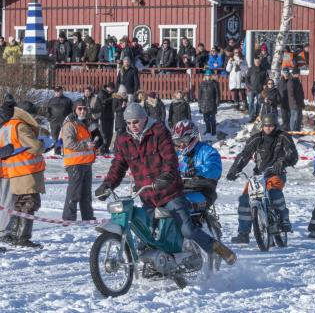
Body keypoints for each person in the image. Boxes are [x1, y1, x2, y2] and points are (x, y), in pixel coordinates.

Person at [95, 103, 236, 265]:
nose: (132, 126)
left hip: (170, 192)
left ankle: (219, 249)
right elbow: (118, 166)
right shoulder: (123, 140)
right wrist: (107, 185)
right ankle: (160, 265)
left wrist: (167, 176)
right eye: (128, 123)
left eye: (135, 122)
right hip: (147, 195)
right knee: (148, 235)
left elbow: (170, 158)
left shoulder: (158, 132)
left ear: (144, 118)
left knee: (187, 230)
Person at [226, 113, 298, 244]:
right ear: (262, 126)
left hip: (276, 173)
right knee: (244, 199)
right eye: (266, 126)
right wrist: (234, 170)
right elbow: (244, 155)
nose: (268, 128)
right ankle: (243, 233)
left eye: (271, 126)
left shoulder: (283, 137)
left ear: (275, 126)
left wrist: (281, 163)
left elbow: (293, 155)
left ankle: (284, 220)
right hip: (259, 175)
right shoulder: (256, 138)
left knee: (274, 193)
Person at [0, 103, 46, 248]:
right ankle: (23, 237)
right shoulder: (20, 126)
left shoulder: (9, 125)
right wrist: (43, 144)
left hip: (16, 170)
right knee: (30, 202)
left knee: (20, 202)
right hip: (26, 170)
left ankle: (14, 233)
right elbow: (36, 147)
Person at [62, 99, 101, 221]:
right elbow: (68, 143)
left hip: (86, 163)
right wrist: (85, 145)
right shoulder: (70, 124)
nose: (82, 111)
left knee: (86, 194)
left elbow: (89, 142)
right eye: (80, 108)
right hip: (75, 164)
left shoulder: (85, 124)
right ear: (75, 109)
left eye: (84, 108)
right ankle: (68, 218)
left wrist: (94, 149)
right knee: (74, 193)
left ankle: (88, 217)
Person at [172, 120, 221, 206]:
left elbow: (214, 169)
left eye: (185, 140)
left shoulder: (207, 150)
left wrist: (197, 170)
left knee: (180, 203)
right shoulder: (176, 155)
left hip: (203, 191)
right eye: (178, 141)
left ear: (193, 136)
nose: (182, 144)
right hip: (179, 191)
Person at [0, 94, 16, 242]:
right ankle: (4, 232)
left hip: (7, 170)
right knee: (6, 202)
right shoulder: (6, 127)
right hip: (5, 170)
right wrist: (11, 149)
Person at [46, 86, 73, 155]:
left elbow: (72, 111)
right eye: (56, 91)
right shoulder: (51, 100)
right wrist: (49, 118)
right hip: (54, 122)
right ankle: (57, 151)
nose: (57, 92)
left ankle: (66, 151)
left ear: (62, 91)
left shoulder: (68, 100)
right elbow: (48, 110)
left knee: (65, 137)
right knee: (55, 137)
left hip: (64, 122)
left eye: (59, 91)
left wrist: (70, 119)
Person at [245, 57, 268, 122]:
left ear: (260, 62)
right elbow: (247, 79)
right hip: (251, 89)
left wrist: (264, 84)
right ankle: (251, 117)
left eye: (258, 61)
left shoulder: (263, 69)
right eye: (256, 61)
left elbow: (266, 79)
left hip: (260, 89)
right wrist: (249, 86)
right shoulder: (251, 69)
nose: (257, 62)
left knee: (259, 103)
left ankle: (258, 116)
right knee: (251, 103)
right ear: (254, 62)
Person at [199, 71, 220, 136]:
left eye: (209, 75)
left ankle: (213, 131)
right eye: (206, 75)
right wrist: (199, 104)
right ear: (205, 76)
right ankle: (208, 130)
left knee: (212, 119)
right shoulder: (202, 83)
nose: (208, 76)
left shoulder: (214, 83)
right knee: (205, 119)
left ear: (211, 76)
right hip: (204, 104)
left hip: (212, 103)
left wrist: (217, 102)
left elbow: (217, 93)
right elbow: (200, 94)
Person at [97, 82, 115, 154]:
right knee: (103, 133)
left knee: (110, 133)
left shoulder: (113, 93)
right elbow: (102, 101)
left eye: (112, 89)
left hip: (111, 115)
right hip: (103, 115)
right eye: (110, 89)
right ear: (107, 87)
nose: (111, 90)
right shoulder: (102, 93)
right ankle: (101, 148)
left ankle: (106, 148)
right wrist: (112, 98)